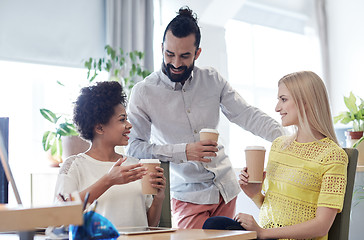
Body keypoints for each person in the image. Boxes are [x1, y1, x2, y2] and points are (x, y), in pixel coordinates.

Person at [126, 6, 284, 229]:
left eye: (185, 56)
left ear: (197, 53)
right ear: (162, 48)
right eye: (169, 54)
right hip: (187, 195)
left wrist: (286, 138)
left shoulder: (212, 80)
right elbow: (134, 147)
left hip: (225, 189)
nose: (176, 63)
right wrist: (184, 151)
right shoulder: (144, 92)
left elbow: (247, 115)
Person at [203, 71, 348, 240]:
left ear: (306, 101)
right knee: (213, 225)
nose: (277, 108)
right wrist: (255, 194)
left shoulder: (333, 156)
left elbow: (322, 226)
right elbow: (275, 210)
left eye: (283, 99)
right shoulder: (280, 145)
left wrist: (263, 233)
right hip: (269, 237)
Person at [54, 81, 166, 228]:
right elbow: (60, 216)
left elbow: (149, 225)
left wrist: (159, 198)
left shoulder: (135, 165)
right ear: (100, 128)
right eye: (122, 119)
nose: (129, 125)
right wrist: (108, 180)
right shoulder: (74, 166)